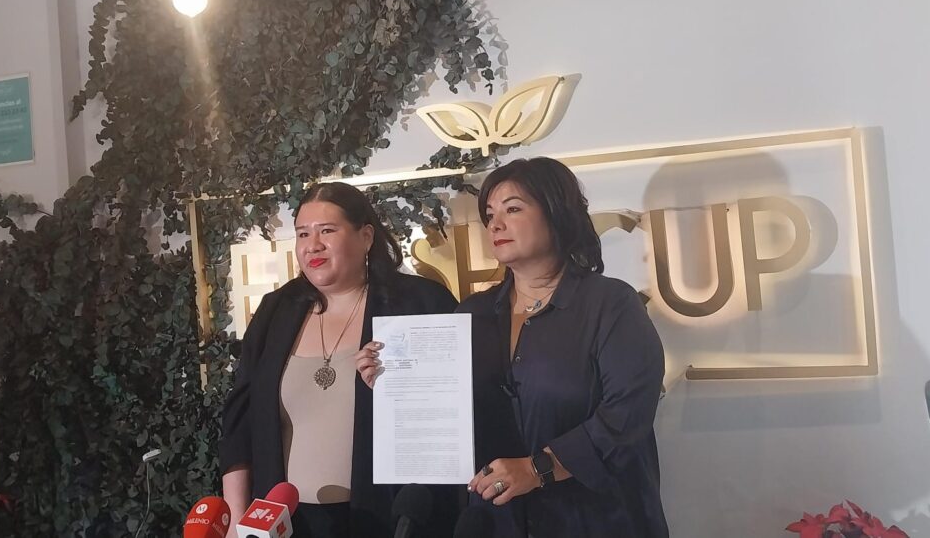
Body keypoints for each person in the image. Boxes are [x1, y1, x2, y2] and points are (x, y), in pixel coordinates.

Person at [219, 182, 459, 538]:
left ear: (366, 237)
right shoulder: (276, 310)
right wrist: (237, 520)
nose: (312, 245)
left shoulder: (420, 303)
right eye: (303, 233)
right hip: (286, 522)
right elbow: (240, 422)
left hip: (389, 518)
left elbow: (456, 409)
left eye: (327, 231)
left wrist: (399, 386)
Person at [462, 157, 668, 537]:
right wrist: (393, 380)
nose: (495, 224)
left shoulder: (610, 303)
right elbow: (448, 411)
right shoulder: (471, 314)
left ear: (556, 213)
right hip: (499, 521)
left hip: (597, 518)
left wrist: (538, 468)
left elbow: (627, 413)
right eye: (489, 215)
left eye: (513, 209)